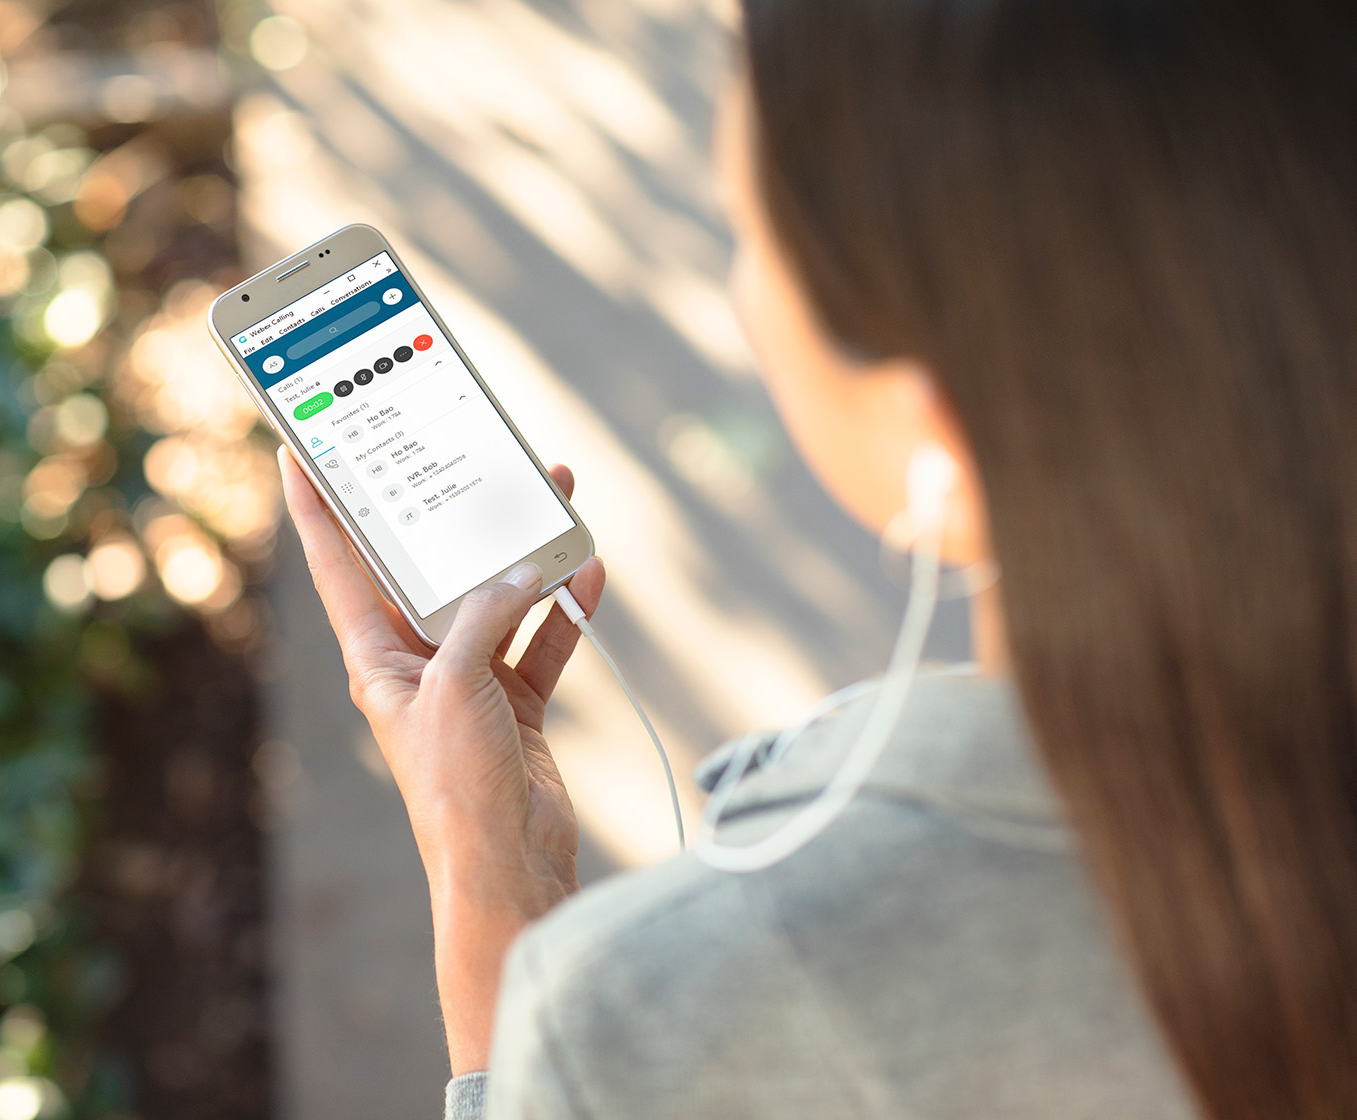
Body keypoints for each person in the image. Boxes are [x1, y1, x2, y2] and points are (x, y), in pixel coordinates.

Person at [277, 1, 1357, 1117]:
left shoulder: (674, 1009)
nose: (745, 292)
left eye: (748, 232)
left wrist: (496, 906)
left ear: (937, 430)